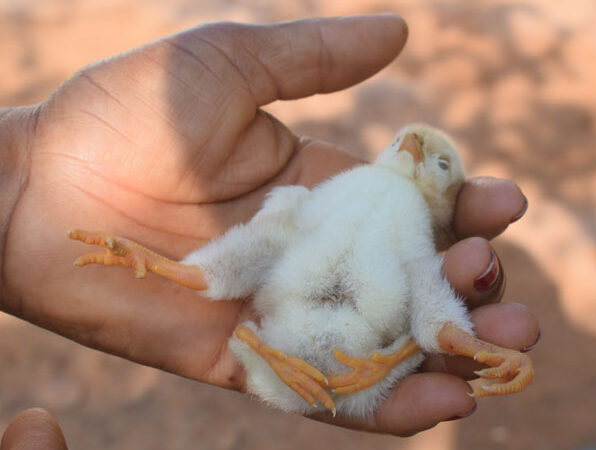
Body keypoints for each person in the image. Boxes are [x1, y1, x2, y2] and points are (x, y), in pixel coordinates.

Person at [0, 14, 540, 440]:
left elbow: (425, 290)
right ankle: (268, 349)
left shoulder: (418, 229)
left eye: (436, 159)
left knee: (424, 285)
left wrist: (466, 343)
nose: (414, 146)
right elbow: (265, 245)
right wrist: (163, 264)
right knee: (285, 214)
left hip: (348, 359)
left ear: (444, 192)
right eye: (406, 138)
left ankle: (296, 354)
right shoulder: (328, 191)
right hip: (303, 341)